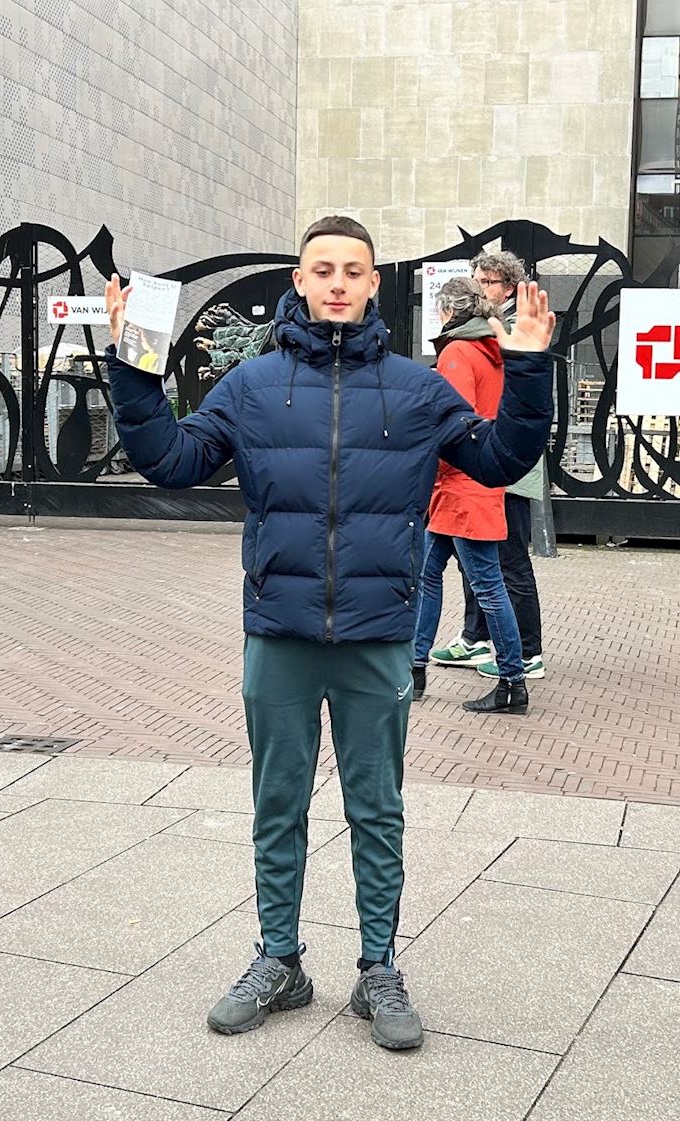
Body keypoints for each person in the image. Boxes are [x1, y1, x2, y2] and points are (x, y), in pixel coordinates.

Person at [103, 215, 554, 1052]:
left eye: (353, 270)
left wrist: (528, 367)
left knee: (376, 809)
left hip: (377, 636)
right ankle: (280, 960)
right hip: (280, 631)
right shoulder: (252, 386)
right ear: (301, 282)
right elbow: (172, 460)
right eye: (323, 270)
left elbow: (497, 460)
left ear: (374, 283)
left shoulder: (417, 389)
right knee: (277, 804)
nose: (338, 283)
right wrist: (134, 367)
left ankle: (378, 967)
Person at [411, 277, 527, 714]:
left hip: (459, 485)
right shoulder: (492, 349)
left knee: (484, 585)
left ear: (446, 311)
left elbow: (452, 423)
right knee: (436, 575)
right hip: (477, 481)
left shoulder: (457, 352)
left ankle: (511, 681)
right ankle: (416, 666)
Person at [431, 249, 547, 680]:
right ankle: (475, 637)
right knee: (475, 559)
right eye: (477, 280)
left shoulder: (513, 330)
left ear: (509, 288)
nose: (480, 289)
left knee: (509, 560)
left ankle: (527, 652)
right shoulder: (483, 333)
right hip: (482, 460)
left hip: (504, 464)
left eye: (488, 282)